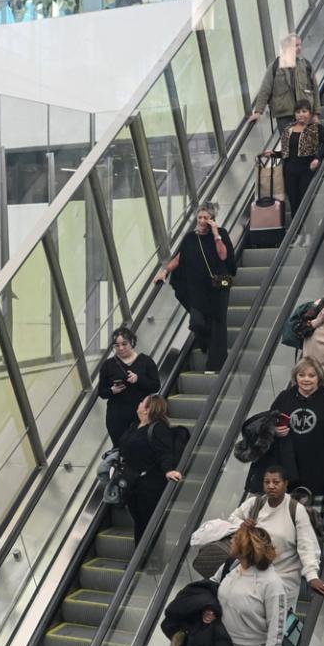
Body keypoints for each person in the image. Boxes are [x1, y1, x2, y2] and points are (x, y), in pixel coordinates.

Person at [253, 357, 324, 503]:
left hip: (318, 465)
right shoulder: (285, 397)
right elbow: (268, 422)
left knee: (312, 517)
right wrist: (274, 429)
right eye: (301, 375)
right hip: (288, 465)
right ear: (295, 377)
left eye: (311, 376)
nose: (306, 379)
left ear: (319, 377)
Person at [202, 467, 324, 600]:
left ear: (285, 484)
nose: (271, 486)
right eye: (267, 482)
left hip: (283, 581)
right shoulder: (256, 503)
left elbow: (307, 545)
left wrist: (312, 576)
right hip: (252, 577)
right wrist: (243, 525)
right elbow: (233, 518)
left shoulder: (296, 510)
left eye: (276, 482)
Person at [158, 203, 237, 371]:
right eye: (200, 217)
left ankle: (216, 365)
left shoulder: (221, 234)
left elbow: (223, 256)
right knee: (196, 322)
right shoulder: (190, 238)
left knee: (218, 324)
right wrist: (165, 271)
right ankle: (207, 343)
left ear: (212, 220)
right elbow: (180, 258)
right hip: (198, 289)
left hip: (219, 285)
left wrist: (216, 235)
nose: (201, 221)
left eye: (205, 218)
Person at [118, 392, 188, 530]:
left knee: (148, 525)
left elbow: (165, 452)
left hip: (148, 486)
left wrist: (169, 470)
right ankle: (140, 550)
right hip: (132, 483)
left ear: (147, 409)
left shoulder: (158, 428)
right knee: (139, 523)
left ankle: (150, 550)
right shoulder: (134, 425)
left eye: (142, 402)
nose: (138, 404)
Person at [96, 325, 160, 442]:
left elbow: (155, 386)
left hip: (141, 414)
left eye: (124, 344)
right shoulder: (108, 364)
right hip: (116, 416)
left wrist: (138, 379)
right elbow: (102, 392)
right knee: (120, 448)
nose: (120, 348)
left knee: (140, 446)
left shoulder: (146, 361)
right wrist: (112, 391)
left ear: (132, 342)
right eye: (117, 345)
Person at [248, 33, 319, 133]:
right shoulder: (275, 67)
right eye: (296, 45)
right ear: (286, 47)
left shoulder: (306, 65)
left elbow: (315, 90)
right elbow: (265, 89)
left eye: (300, 45)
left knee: (306, 145)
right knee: (289, 145)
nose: (299, 48)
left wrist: (316, 113)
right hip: (285, 116)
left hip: (305, 114)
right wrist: (258, 112)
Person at [279, 98, 324, 215]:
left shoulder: (316, 128)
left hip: (306, 170)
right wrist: (273, 153)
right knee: (293, 202)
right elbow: (286, 152)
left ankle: (307, 231)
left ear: (310, 113)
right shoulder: (288, 129)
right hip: (289, 172)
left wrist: (318, 157)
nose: (300, 114)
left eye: (304, 111)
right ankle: (297, 233)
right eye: (298, 112)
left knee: (305, 201)